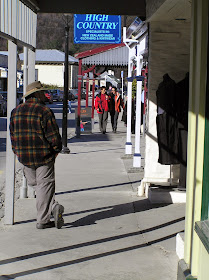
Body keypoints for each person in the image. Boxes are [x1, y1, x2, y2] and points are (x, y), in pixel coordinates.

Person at [9, 81, 64, 230]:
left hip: (25, 157)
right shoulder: (44, 111)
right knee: (44, 186)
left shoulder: (15, 112)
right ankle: (43, 220)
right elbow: (53, 136)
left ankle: (53, 207)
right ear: (37, 94)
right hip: (43, 156)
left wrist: (17, 152)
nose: (45, 95)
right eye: (43, 92)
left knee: (38, 186)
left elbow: (13, 136)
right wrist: (56, 150)